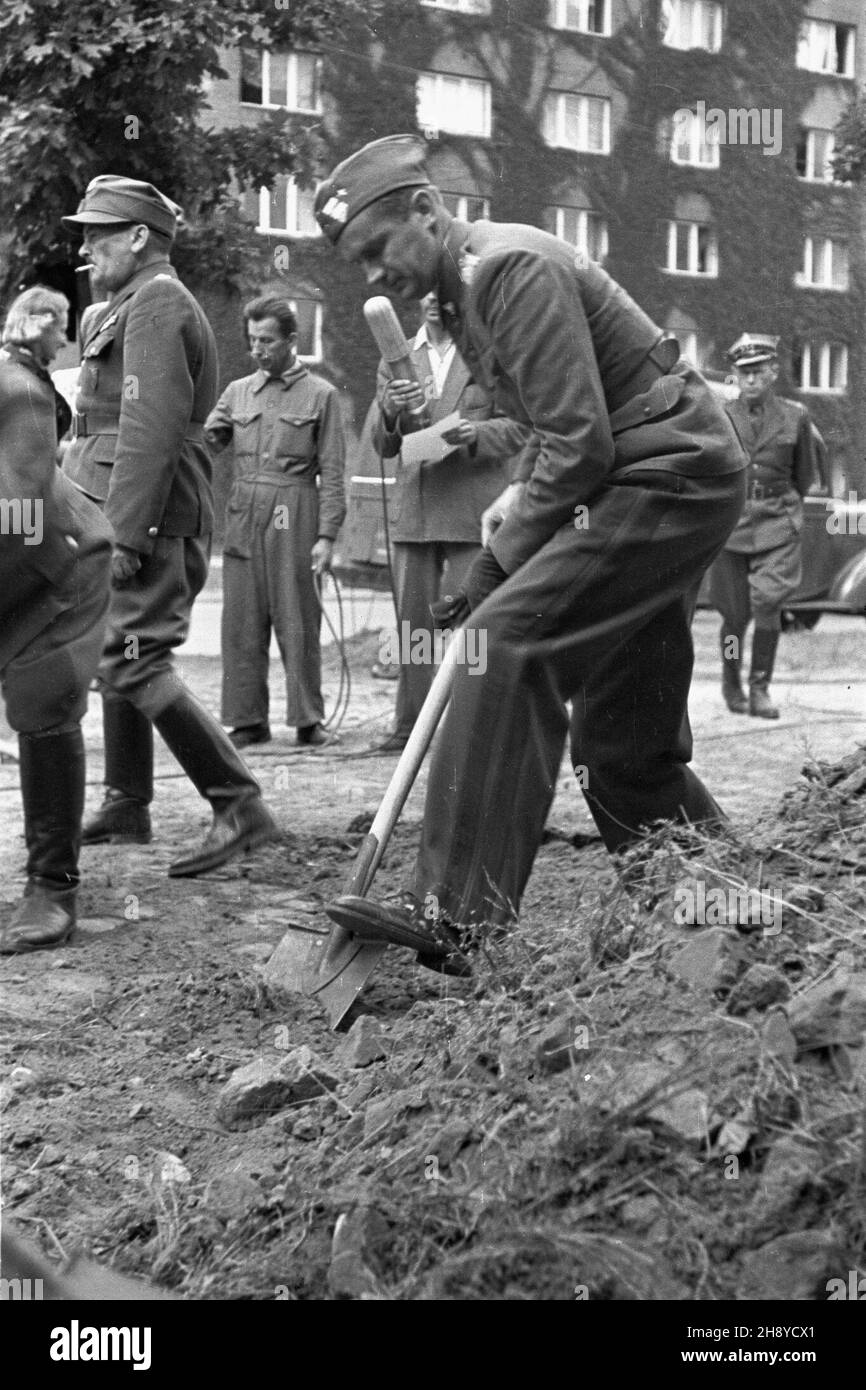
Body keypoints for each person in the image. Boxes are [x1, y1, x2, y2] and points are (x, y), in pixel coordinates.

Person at [313, 133, 747, 975]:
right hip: (655, 470)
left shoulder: (507, 271)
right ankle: (726, 908)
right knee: (622, 745)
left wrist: (500, 561)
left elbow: (580, 446)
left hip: (667, 472)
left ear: (428, 211)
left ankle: (456, 913)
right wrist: (518, 500)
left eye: (376, 248)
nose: (370, 272)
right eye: (354, 260)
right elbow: (550, 428)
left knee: (502, 645)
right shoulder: (461, 296)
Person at [60, 175, 276, 876]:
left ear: (139, 236)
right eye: (84, 234)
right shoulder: (116, 306)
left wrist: (125, 533)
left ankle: (238, 801)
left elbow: (149, 427)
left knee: (134, 657)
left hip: (148, 512)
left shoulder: (156, 302)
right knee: (113, 652)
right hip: (111, 503)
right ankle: (128, 799)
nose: (86, 247)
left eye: (98, 233)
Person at [0, 287, 113, 952]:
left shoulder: (17, 391)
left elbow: (21, 515)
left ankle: (53, 887)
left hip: (58, 567)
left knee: (42, 702)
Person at [371, 292, 528, 752]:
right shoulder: (396, 357)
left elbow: (521, 430)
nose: (435, 303)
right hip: (416, 511)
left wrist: (475, 433)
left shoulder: (487, 358)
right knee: (413, 628)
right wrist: (392, 412)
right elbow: (384, 444)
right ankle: (409, 728)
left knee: (471, 625)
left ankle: (468, 726)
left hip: (469, 512)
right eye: (429, 294)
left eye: (446, 294)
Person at [203, 295, 346, 749]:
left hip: (296, 509)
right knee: (241, 620)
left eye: (267, 340)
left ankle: (308, 720)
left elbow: (334, 474)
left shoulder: (321, 395)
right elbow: (209, 439)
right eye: (252, 341)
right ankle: (246, 721)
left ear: (291, 340)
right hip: (245, 510)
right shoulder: (238, 391)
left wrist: (326, 537)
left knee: (297, 618)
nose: (258, 350)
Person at [708, 334, 822, 719]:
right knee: (734, 617)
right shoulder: (722, 416)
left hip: (777, 521)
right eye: (743, 373)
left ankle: (760, 688)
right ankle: (730, 683)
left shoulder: (795, 416)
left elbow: (804, 475)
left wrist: (786, 509)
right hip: (731, 524)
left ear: (773, 372)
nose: (751, 380)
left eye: (758, 372)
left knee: (768, 604)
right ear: (734, 376)